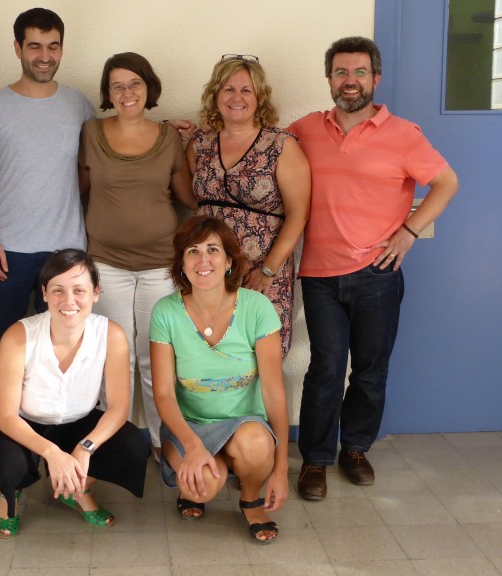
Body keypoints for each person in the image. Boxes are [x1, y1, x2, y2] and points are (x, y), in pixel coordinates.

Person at [288, 37, 459, 499]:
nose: (350, 81)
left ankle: (356, 448)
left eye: (360, 72)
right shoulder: (303, 130)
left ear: (375, 79)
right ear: (329, 79)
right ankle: (316, 459)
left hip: (378, 275)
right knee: (325, 369)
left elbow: (447, 182)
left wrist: (410, 232)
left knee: (369, 371)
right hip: (319, 274)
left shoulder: (404, 134)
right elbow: (260, 149)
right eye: (341, 72)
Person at [0, 8, 96, 452]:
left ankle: (61, 452)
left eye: (53, 46)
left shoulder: (79, 105)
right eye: (35, 46)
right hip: (8, 251)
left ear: (62, 48)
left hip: (66, 256)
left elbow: (96, 164)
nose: (45, 56)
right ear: (17, 48)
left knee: (67, 355)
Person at [0, 249, 150, 538]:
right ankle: (10, 495)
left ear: (96, 293)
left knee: (133, 445)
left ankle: (77, 488)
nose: (69, 300)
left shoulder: (111, 334)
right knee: (9, 466)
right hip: (24, 423)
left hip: (77, 421)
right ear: (44, 293)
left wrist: (84, 449)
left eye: (79, 290)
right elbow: (7, 417)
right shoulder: (18, 335)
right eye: (58, 290)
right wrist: (52, 454)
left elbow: (118, 408)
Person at [79, 52, 196, 458]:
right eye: (117, 86)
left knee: (155, 359)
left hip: (160, 265)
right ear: (108, 93)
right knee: (116, 358)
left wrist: (197, 144)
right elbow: (76, 190)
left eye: (135, 83)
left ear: (149, 88)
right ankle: (116, 448)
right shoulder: (91, 133)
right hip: (106, 263)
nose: (126, 92)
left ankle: (165, 445)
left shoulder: (169, 138)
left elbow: (189, 198)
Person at [149, 216, 289, 544]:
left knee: (255, 446)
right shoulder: (165, 312)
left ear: (229, 261)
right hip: (190, 425)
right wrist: (193, 447)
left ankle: (250, 498)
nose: (203, 260)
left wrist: (280, 469)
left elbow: (274, 394)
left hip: (245, 424)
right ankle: (214, 463)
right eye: (192, 251)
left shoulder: (257, 307)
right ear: (182, 264)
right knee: (202, 486)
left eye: (213, 250)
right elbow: (164, 394)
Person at [188, 55, 310, 357]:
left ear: (260, 97)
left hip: (260, 275)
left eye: (247, 90)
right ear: (215, 94)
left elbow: (298, 214)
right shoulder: (200, 144)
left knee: (260, 359)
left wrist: (268, 270)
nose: (237, 98)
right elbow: (194, 199)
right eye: (228, 89)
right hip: (208, 273)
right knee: (207, 359)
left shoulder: (281, 146)